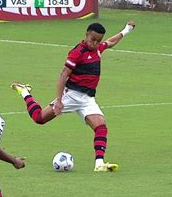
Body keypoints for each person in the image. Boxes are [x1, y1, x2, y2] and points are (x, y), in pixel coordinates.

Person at [11, 21, 135, 172]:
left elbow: (111, 42)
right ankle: (24, 92)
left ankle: (99, 164)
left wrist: (126, 30)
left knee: (101, 127)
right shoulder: (77, 52)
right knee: (39, 118)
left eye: (98, 41)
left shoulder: (97, 49)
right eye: (92, 39)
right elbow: (63, 75)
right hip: (71, 95)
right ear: (86, 35)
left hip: (87, 99)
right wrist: (58, 101)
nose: (95, 43)